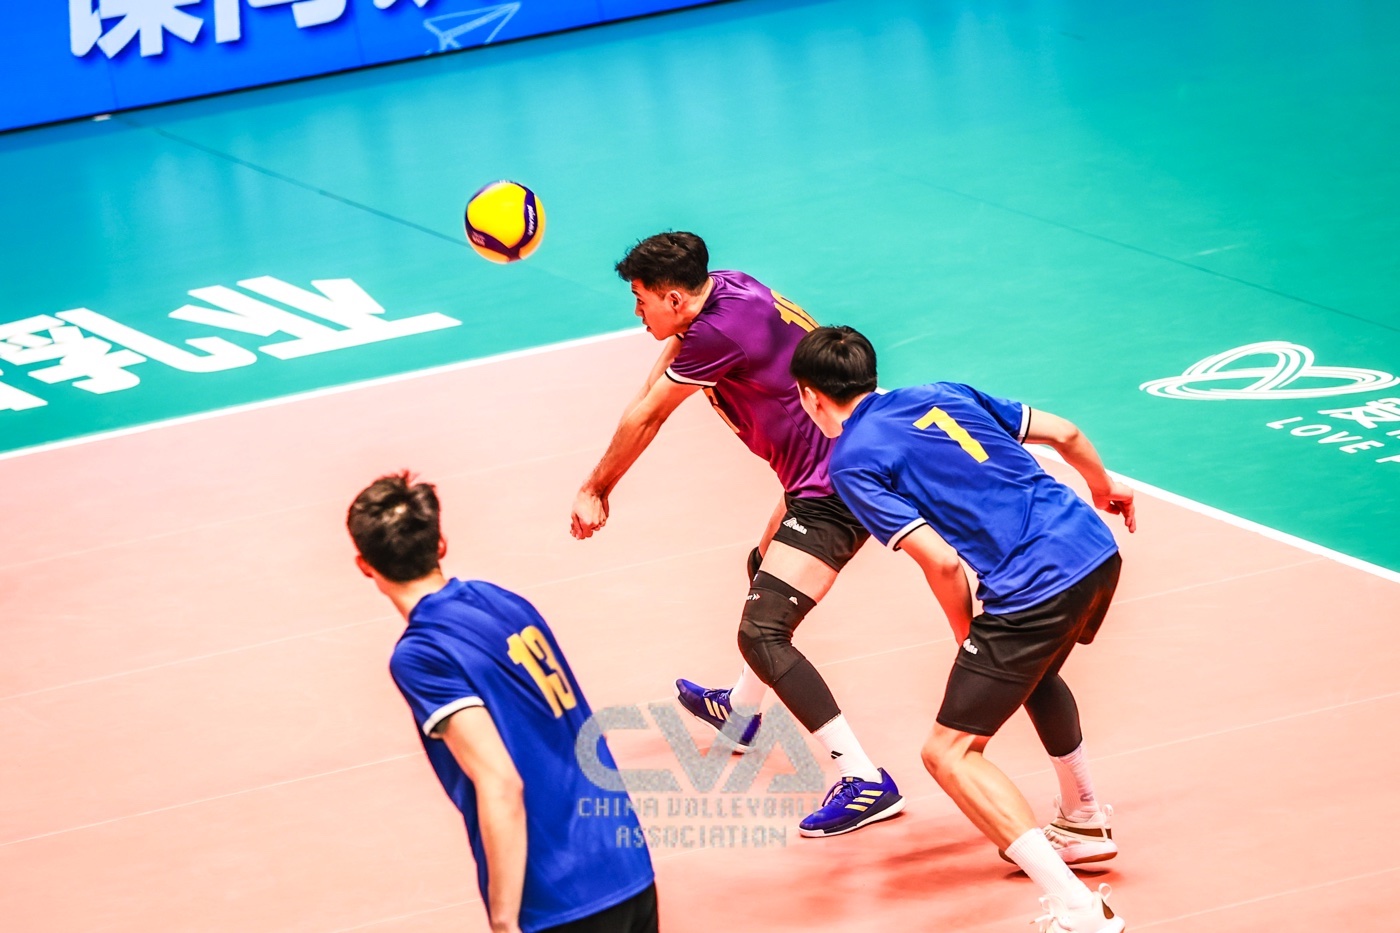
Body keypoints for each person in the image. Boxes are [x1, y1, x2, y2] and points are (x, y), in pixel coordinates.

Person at [790, 326, 1133, 933]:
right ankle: (1083, 818)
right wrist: (1104, 487)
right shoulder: (942, 392)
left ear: (812, 396)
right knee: (1035, 673)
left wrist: (965, 633)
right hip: (1094, 548)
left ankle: (1078, 908)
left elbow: (943, 561)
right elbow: (1065, 434)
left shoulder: (851, 461)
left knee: (947, 754)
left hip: (1034, 583)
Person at [569, 232, 902, 837]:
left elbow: (651, 415)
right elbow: (654, 387)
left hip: (837, 484)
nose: (636, 312)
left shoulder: (717, 334)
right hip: (821, 467)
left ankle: (863, 778)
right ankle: (741, 713)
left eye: (641, 299)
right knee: (762, 569)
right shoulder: (728, 288)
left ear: (674, 299)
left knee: (762, 630)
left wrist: (597, 487)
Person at [349, 473, 658, 933]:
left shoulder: (421, 654)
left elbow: (499, 782)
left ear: (364, 565)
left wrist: (503, 919)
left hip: (558, 894)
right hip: (627, 863)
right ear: (440, 543)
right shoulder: (504, 602)